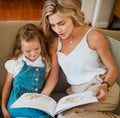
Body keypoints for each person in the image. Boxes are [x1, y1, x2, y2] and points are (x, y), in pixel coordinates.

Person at [39, 0, 120, 118]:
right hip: (78, 94)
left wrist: (104, 85)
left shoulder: (93, 36)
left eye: (61, 23)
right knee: (63, 115)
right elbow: (54, 74)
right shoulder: (55, 43)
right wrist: (42, 96)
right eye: (53, 25)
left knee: (66, 116)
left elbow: (113, 69)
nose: (58, 30)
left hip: (102, 88)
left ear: (72, 16)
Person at [2, 23, 52, 118]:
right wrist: (3, 107)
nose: (33, 54)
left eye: (36, 49)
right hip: (17, 103)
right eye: (28, 51)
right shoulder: (16, 63)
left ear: (41, 44)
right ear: (21, 48)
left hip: (35, 102)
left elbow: (44, 84)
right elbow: (7, 85)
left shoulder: (45, 63)